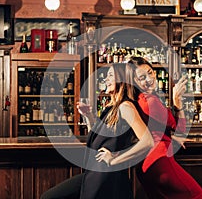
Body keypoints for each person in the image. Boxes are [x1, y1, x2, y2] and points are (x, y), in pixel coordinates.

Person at [41, 63, 154, 199]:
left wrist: (114, 160)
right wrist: (88, 115)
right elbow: (100, 136)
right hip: (96, 174)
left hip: (108, 178)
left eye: (110, 75)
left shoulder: (125, 106)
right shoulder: (111, 107)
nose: (106, 79)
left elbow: (148, 142)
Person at [127, 56, 202, 199]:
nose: (149, 79)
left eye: (150, 72)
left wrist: (172, 135)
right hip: (160, 161)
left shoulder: (140, 100)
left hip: (147, 164)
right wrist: (177, 101)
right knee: (197, 195)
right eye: (142, 77)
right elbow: (180, 129)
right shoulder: (150, 102)